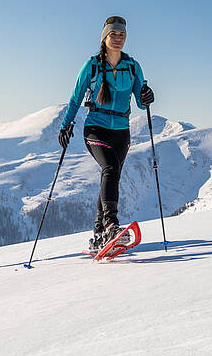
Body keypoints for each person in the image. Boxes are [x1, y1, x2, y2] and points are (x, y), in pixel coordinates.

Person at [58, 15, 155, 252]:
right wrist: (65, 125)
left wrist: (147, 98)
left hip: (121, 131)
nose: (118, 38)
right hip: (96, 128)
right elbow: (75, 97)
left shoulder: (132, 66)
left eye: (122, 34)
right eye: (114, 34)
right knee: (110, 169)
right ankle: (111, 225)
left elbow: (141, 103)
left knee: (110, 176)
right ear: (105, 37)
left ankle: (99, 233)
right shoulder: (91, 66)